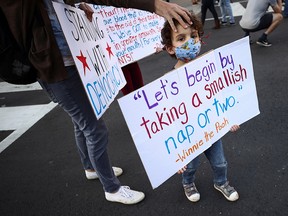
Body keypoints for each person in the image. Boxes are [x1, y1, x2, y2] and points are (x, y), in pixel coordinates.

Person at [0, 0, 193, 205]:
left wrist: (74, 6)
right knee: (95, 128)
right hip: (56, 68)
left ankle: (91, 167)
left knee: (81, 121)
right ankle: (111, 188)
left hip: (72, 60)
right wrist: (153, 4)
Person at [161, 13, 240, 202]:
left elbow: (220, 95)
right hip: (188, 137)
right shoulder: (168, 83)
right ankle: (187, 183)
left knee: (220, 163)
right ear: (171, 48)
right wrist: (177, 154)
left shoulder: (209, 68)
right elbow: (167, 118)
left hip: (212, 129)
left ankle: (221, 182)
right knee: (189, 166)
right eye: (181, 38)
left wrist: (230, 118)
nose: (190, 42)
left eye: (193, 36)